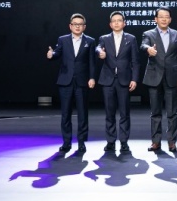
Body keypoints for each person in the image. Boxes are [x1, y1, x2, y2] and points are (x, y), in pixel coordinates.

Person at [46, 13, 97, 154]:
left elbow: (92, 62)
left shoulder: (90, 41)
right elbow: (57, 54)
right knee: (65, 113)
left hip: (82, 81)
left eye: (80, 24)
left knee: (82, 113)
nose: (77, 26)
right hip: (65, 81)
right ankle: (66, 142)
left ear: (84, 26)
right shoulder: (63, 39)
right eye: (75, 24)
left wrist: (92, 78)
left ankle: (81, 142)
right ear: (70, 26)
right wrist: (51, 55)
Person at [141, 7, 177, 152]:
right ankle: (156, 142)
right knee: (155, 112)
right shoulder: (149, 34)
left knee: (172, 112)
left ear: (170, 19)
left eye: (166, 16)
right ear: (155, 19)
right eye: (161, 17)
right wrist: (148, 49)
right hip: (154, 76)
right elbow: (143, 45)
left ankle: (172, 142)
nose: (164, 19)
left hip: (172, 77)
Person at [96, 11, 140, 155]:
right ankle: (110, 141)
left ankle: (124, 142)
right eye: (114, 21)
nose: (116, 23)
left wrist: (134, 79)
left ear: (124, 23)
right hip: (108, 80)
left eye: (119, 20)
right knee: (109, 112)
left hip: (124, 80)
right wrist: (100, 53)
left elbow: (135, 61)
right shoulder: (104, 38)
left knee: (124, 113)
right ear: (110, 24)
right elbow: (98, 48)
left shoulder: (131, 39)